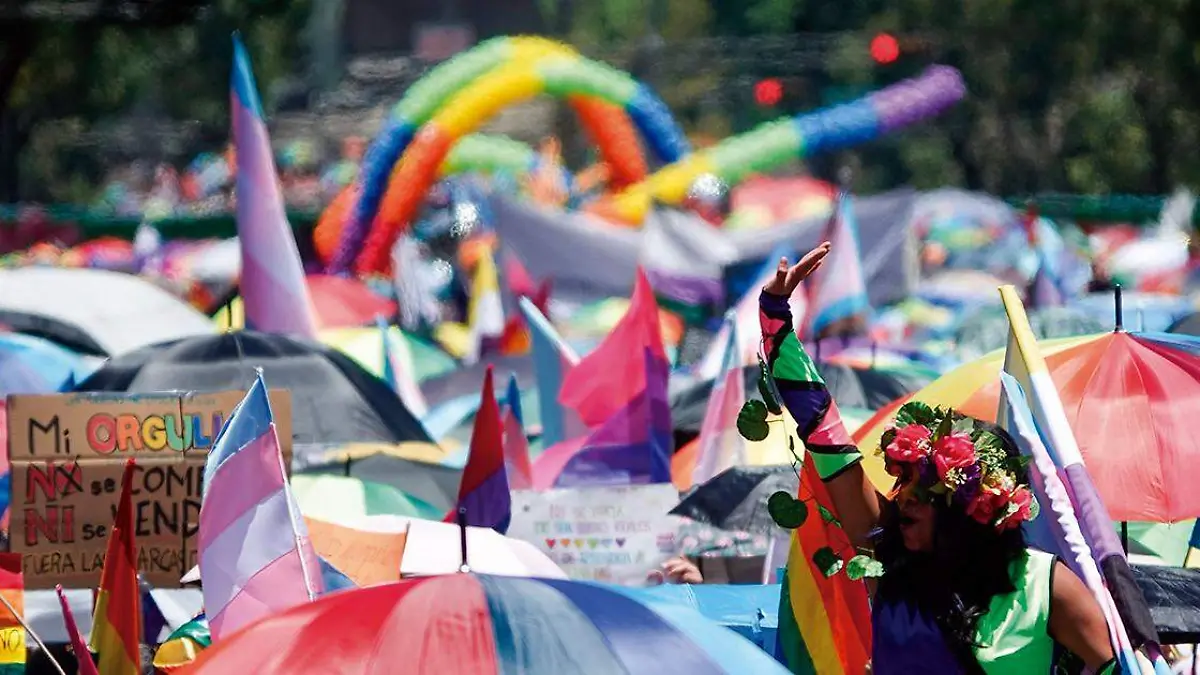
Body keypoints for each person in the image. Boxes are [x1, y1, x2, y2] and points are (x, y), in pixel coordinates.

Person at [760, 242, 1118, 674]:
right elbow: (827, 439)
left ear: (976, 507)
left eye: (925, 491)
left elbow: (1113, 667)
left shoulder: (1045, 585)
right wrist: (776, 318)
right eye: (904, 481)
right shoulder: (886, 560)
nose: (903, 498)